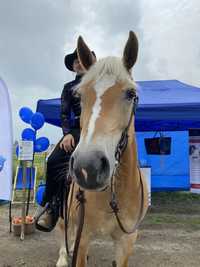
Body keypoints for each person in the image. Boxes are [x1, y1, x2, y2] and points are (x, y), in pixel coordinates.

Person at [36, 48, 96, 232]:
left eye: (81, 59)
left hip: (98, 130)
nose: (78, 62)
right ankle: (52, 206)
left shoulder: (100, 82)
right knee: (54, 161)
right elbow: (64, 114)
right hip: (77, 130)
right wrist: (68, 133)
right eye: (74, 61)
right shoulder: (68, 87)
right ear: (72, 66)